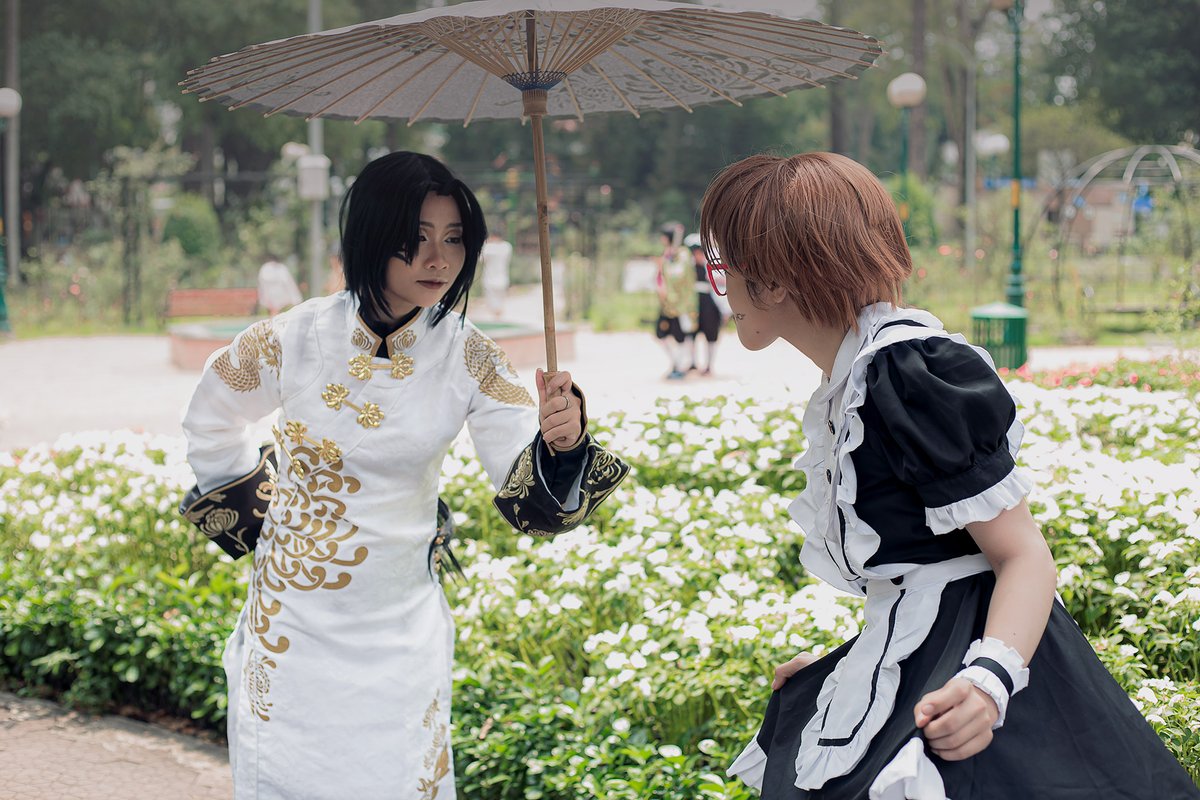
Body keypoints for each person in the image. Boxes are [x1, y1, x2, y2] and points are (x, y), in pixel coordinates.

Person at [698, 152, 1200, 800]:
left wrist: (989, 682)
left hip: (985, 686)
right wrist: (852, 669)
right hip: (944, 663)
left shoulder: (905, 368)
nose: (720, 289)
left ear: (774, 279)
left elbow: (1022, 555)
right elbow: (930, 576)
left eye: (724, 266)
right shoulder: (856, 377)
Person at [178, 151, 628, 799]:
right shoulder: (294, 337)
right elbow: (211, 418)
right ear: (371, 235)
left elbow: (527, 491)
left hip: (402, 625)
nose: (438, 259)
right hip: (294, 622)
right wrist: (260, 521)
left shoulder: (470, 356)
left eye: (454, 239)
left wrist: (564, 442)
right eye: (415, 239)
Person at [655, 223, 697, 380]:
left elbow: (679, 274)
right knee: (661, 334)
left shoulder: (683, 254)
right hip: (668, 303)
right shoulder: (667, 254)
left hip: (682, 304)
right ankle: (675, 363)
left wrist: (670, 261)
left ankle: (679, 366)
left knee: (681, 336)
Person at [683, 232, 729, 376]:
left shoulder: (713, 265)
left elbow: (724, 283)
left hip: (710, 304)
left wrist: (726, 310)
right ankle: (692, 363)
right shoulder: (688, 267)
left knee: (711, 335)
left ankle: (709, 365)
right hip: (693, 303)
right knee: (691, 334)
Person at [480, 229, 513, 318]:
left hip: (489, 279)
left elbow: (481, 259)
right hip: (503, 278)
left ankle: (496, 316)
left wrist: (485, 243)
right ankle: (498, 316)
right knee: (500, 301)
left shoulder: (488, 248)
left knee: (492, 303)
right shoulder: (507, 246)